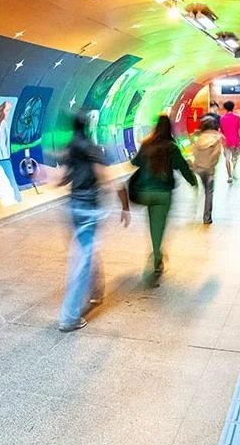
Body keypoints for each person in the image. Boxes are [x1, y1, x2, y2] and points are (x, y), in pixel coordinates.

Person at [57, 111, 130, 332]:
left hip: (73, 207)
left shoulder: (70, 147)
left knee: (87, 251)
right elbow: (107, 179)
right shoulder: (92, 148)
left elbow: (62, 179)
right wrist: (124, 204)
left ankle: (97, 291)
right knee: (82, 261)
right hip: (89, 209)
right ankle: (69, 318)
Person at [130, 115, 196, 280]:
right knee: (158, 226)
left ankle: (156, 251)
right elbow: (183, 167)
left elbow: (135, 162)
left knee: (152, 223)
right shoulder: (171, 148)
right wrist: (193, 181)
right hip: (162, 193)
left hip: (144, 192)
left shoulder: (147, 144)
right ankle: (157, 259)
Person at [191, 114, 223, 224]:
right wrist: (211, 165)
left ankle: (195, 212)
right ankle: (207, 218)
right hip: (209, 170)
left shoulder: (199, 137)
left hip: (198, 168)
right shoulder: (217, 137)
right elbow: (216, 154)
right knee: (209, 192)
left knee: (205, 190)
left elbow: (194, 152)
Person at [219, 101, 240, 183]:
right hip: (235, 141)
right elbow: (239, 130)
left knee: (227, 158)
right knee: (234, 158)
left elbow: (221, 131)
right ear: (233, 107)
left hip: (226, 141)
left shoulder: (222, 118)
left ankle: (229, 176)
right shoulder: (237, 117)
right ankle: (233, 172)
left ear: (225, 108)